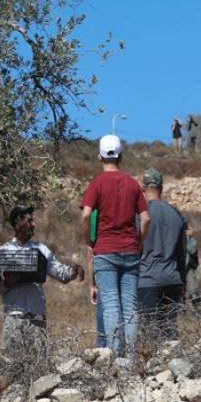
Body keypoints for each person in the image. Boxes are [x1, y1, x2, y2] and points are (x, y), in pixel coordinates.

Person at [81, 134, 148, 354]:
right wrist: (139, 242)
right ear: (121, 156)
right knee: (129, 306)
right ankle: (130, 358)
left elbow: (86, 215)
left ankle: (114, 355)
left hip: (105, 250)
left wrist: (89, 241)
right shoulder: (133, 184)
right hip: (130, 250)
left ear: (99, 156)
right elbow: (146, 218)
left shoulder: (97, 183)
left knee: (110, 305)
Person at [0, 206, 83, 363]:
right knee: (13, 366)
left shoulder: (41, 250)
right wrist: (9, 282)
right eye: (29, 220)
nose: (33, 224)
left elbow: (59, 272)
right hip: (14, 318)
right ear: (17, 223)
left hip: (37, 318)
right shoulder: (4, 251)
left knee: (39, 366)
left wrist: (73, 271)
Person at [136, 170, 187, 342]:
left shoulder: (141, 216)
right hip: (173, 280)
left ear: (143, 189)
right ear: (161, 188)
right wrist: (183, 282)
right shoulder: (176, 214)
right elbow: (182, 252)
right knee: (170, 332)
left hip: (147, 280)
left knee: (148, 334)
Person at [183, 221, 201, 307]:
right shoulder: (181, 239)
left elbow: (192, 250)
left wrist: (188, 237)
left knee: (194, 292)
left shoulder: (192, 240)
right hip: (180, 269)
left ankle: (199, 314)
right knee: (182, 295)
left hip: (189, 269)